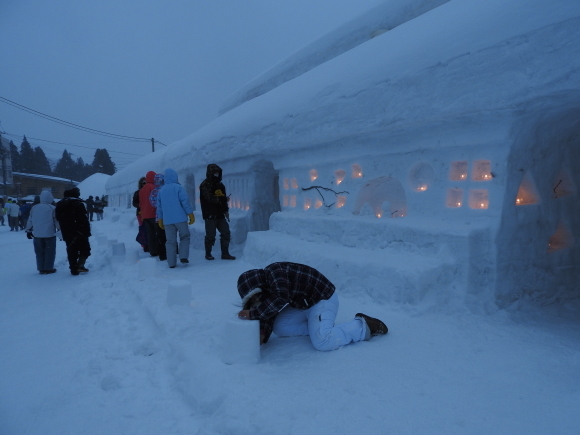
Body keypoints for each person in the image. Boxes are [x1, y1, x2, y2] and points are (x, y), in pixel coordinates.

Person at [236, 262, 388, 350]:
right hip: (303, 304)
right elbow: (270, 309)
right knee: (279, 327)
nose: (257, 299)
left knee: (322, 342)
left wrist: (253, 314)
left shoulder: (275, 272)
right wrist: (263, 334)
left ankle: (363, 326)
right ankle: (320, 327)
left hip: (323, 299)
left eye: (255, 296)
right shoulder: (266, 287)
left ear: (257, 285)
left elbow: (280, 299)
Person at [156, 168, 195, 268]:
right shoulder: (178, 188)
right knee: (184, 237)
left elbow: (159, 207)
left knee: (170, 242)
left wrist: (160, 219)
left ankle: (171, 263)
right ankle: (183, 256)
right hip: (180, 219)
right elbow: (185, 202)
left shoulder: (161, 191)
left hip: (167, 221)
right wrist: (190, 214)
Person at [199, 163, 235, 260]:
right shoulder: (204, 185)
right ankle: (208, 253)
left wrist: (226, 210)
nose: (217, 174)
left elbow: (222, 199)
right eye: (215, 172)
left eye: (218, 173)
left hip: (220, 214)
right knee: (210, 235)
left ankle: (225, 253)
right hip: (209, 214)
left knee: (226, 232)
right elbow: (209, 198)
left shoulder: (220, 185)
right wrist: (222, 199)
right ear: (210, 173)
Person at [55, 188, 92, 276]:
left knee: (71, 250)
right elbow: (83, 219)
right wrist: (87, 231)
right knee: (85, 249)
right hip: (80, 231)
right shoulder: (78, 204)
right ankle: (80, 265)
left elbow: (57, 218)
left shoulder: (59, 204)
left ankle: (73, 269)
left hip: (66, 231)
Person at [25, 190, 60, 274]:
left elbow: (30, 220)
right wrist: (60, 230)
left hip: (37, 234)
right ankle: (48, 268)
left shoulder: (34, 207)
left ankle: (41, 268)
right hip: (49, 234)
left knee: (39, 252)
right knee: (49, 251)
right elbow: (56, 221)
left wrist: (28, 230)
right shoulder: (52, 208)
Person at [139, 171, 166, 260]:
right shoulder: (153, 187)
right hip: (153, 214)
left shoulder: (142, 189)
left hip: (145, 215)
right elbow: (155, 201)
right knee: (159, 233)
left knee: (150, 234)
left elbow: (141, 202)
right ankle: (161, 250)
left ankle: (153, 251)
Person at [132, 177, 148, 252]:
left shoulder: (150, 191)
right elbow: (134, 203)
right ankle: (144, 244)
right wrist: (140, 205)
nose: (145, 184)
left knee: (149, 228)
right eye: (143, 183)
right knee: (143, 228)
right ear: (141, 184)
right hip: (140, 213)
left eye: (146, 182)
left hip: (148, 212)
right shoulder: (137, 192)